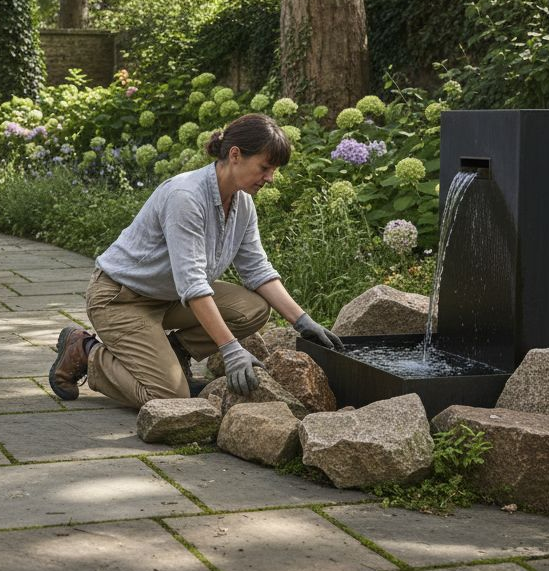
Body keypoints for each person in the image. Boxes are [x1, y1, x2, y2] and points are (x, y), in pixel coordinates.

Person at [48, 113, 343, 408]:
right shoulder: (185, 197)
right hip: (121, 300)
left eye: (274, 170)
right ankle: (86, 352)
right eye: (265, 167)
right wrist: (230, 349)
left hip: (169, 297)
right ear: (235, 155)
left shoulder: (243, 204)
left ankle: (173, 354)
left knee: (252, 309)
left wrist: (303, 322)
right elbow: (193, 284)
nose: (270, 178)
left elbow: (256, 269)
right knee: (170, 396)